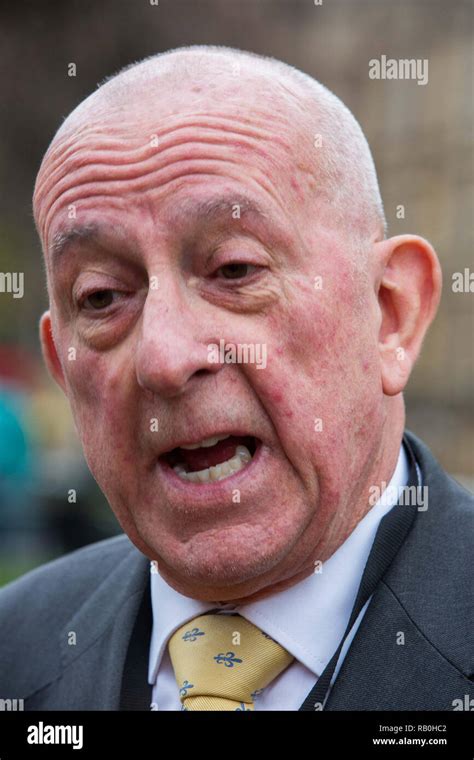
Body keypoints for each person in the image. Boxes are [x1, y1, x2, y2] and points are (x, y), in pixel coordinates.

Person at [0, 45, 472, 711]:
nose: (164, 358)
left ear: (390, 312)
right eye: (102, 297)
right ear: (60, 364)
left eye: (234, 271)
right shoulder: (12, 657)